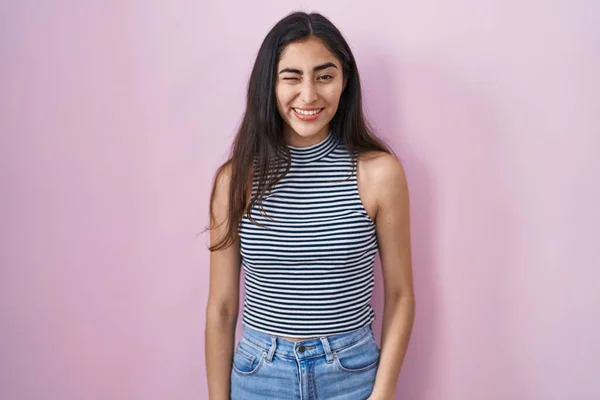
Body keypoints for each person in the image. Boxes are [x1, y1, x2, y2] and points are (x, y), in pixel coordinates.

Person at [205, 11, 415, 400]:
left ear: (344, 80)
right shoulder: (234, 181)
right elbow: (221, 307)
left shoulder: (379, 174)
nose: (308, 95)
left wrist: (382, 395)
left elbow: (401, 294)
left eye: (324, 76)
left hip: (351, 373)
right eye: (291, 77)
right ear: (269, 84)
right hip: (259, 374)